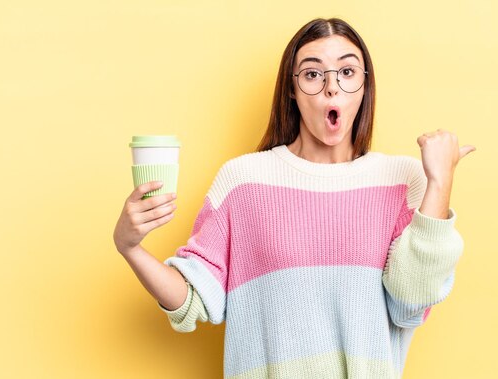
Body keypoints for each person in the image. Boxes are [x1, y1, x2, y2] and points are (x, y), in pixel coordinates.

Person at [113, 17, 475, 379]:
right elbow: (192, 300)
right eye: (313, 74)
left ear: (365, 85)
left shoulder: (401, 181)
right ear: (292, 89)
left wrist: (440, 182)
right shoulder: (242, 182)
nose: (332, 87)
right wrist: (130, 247)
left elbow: (411, 302)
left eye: (347, 72)